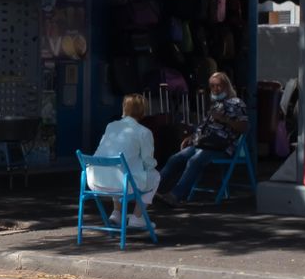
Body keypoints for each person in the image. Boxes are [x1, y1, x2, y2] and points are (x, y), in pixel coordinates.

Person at [157, 72, 248, 207]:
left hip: (221, 146)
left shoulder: (236, 103)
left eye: (219, 86)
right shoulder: (216, 104)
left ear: (226, 86)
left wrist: (223, 119)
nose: (215, 89)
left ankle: (176, 195)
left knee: (195, 160)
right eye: (212, 86)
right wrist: (191, 137)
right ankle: (151, 190)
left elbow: (244, 127)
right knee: (175, 158)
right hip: (204, 144)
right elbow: (204, 128)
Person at [87, 93, 160, 229]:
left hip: (94, 181)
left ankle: (117, 213)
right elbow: (148, 161)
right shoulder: (144, 132)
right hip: (121, 184)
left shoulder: (111, 126)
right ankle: (137, 217)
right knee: (154, 175)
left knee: (121, 167)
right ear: (143, 111)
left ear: (124, 109)